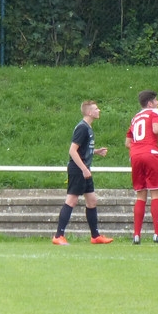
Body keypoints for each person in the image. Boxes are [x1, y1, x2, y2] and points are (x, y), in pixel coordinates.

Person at [52, 101, 113, 246]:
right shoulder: (82, 128)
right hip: (78, 170)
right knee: (72, 201)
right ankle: (58, 236)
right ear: (89, 112)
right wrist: (84, 169)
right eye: (96, 109)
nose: (99, 110)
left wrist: (95, 151)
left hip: (84, 169)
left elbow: (82, 149)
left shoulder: (88, 128)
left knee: (92, 201)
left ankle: (95, 236)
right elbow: (72, 151)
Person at [126, 90, 158, 244]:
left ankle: (136, 235)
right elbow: (156, 129)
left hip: (135, 155)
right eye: (156, 100)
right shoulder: (154, 112)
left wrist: (138, 150)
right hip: (151, 153)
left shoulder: (135, 117)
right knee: (155, 193)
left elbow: (128, 142)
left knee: (140, 195)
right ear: (150, 103)